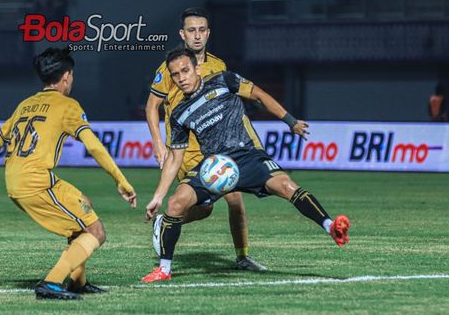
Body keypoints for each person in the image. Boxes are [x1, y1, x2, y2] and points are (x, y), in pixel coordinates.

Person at [141, 48, 350, 282]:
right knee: (176, 203)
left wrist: (290, 121)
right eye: (176, 74)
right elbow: (175, 157)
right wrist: (158, 196)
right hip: (215, 166)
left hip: (248, 156)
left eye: (185, 71)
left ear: (197, 68)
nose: (181, 78)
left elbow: (259, 96)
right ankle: (165, 269)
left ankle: (331, 226)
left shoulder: (224, 80)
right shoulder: (179, 113)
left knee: (287, 186)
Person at [0, 47, 137, 300]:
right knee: (96, 232)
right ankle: (51, 282)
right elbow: (93, 145)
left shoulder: (26, 104)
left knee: (84, 205)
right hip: (36, 182)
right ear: (66, 76)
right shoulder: (67, 105)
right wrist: (122, 180)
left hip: (17, 179)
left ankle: (77, 281)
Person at [145, 7, 266, 271]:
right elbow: (151, 106)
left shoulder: (218, 65)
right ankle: (165, 221)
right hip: (185, 151)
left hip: (217, 147)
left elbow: (229, 106)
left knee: (235, 199)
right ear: (182, 34)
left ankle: (243, 257)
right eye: (191, 30)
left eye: (201, 30)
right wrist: (158, 145)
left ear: (208, 33)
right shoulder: (170, 68)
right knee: (206, 207)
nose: (197, 36)